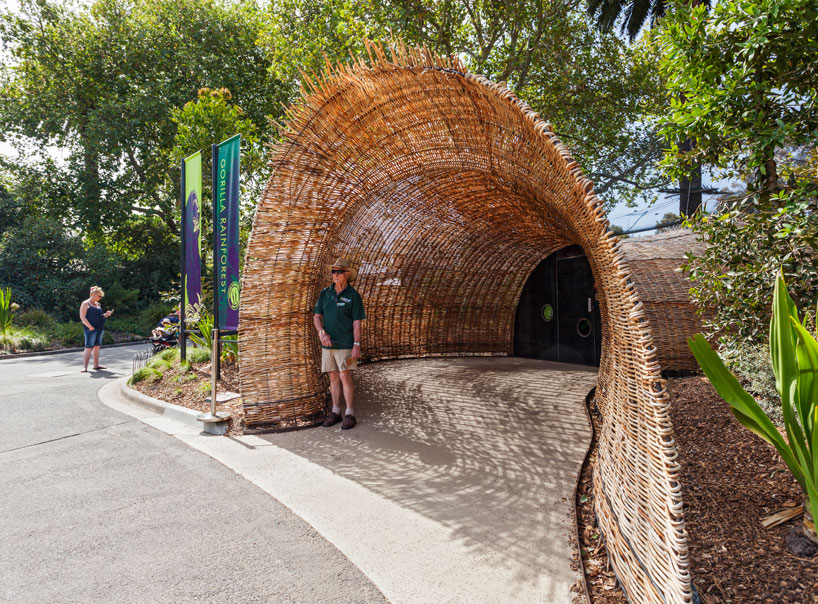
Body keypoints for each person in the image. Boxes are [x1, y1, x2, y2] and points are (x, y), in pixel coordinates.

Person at [313, 258, 366, 430]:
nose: (335, 275)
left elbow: (357, 322)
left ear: (347, 275)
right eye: (333, 271)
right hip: (328, 345)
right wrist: (321, 332)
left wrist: (356, 344)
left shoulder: (354, 296)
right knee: (333, 376)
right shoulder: (325, 293)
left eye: (338, 271)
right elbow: (316, 317)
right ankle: (336, 412)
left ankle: (350, 413)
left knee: (345, 375)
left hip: (346, 344)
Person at [79, 286, 113, 372]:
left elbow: (100, 316)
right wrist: (90, 327)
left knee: (97, 346)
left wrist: (106, 315)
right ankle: (85, 367)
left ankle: (96, 365)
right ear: (93, 294)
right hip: (90, 329)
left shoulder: (98, 304)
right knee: (89, 347)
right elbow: (82, 317)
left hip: (100, 328)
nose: (100, 298)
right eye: (99, 296)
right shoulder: (85, 303)